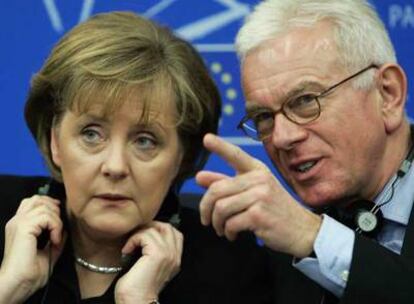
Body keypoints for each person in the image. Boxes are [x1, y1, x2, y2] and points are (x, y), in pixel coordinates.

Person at [0, 11, 272, 303]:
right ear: (56, 141)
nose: (115, 167)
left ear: (182, 157)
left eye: (145, 141)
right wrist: (9, 287)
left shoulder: (227, 265)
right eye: (91, 134)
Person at [196, 0, 414, 303]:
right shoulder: (279, 248)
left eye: (305, 100)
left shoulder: (302, 235)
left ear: (387, 94)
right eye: (264, 118)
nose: (283, 137)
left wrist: (315, 238)